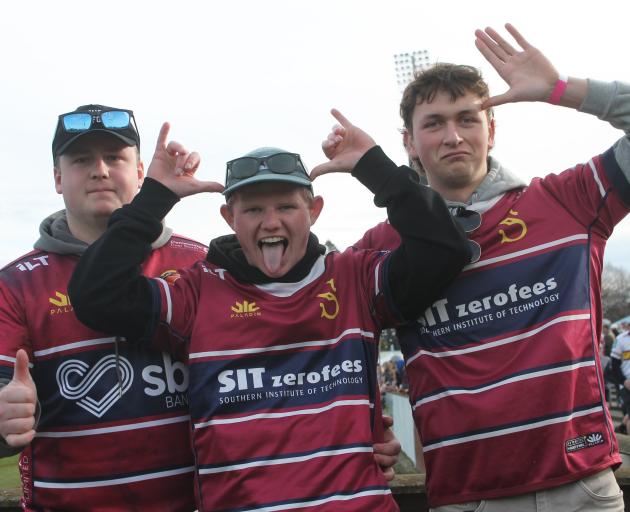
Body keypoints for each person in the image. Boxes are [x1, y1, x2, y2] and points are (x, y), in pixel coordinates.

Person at [68, 112, 470, 510]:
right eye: (254, 210)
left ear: (313, 211)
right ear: (229, 218)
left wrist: (376, 169)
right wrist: (155, 198)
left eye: (286, 206)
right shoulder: (198, 292)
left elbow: (443, 249)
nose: (271, 222)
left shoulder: (354, 278)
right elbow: (96, 294)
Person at [352, 24, 630, 510]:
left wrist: (562, 90)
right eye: (434, 123)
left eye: (468, 118)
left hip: (582, 488)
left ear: (492, 128)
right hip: (468, 498)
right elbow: (316, 332)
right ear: (409, 144)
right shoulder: (380, 247)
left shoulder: (568, 201)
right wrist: (356, 427)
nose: (453, 135)